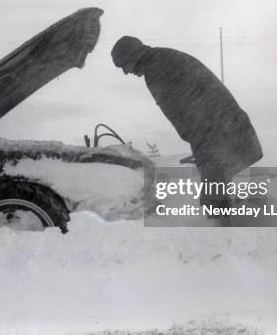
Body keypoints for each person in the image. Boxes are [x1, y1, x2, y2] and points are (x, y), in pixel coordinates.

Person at [111, 36, 263, 223]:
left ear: (133, 55)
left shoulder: (156, 68)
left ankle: (226, 236)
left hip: (216, 130)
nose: (126, 72)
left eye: (124, 65)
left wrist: (200, 144)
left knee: (214, 190)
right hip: (220, 127)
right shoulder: (160, 58)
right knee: (217, 184)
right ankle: (227, 230)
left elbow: (185, 110)